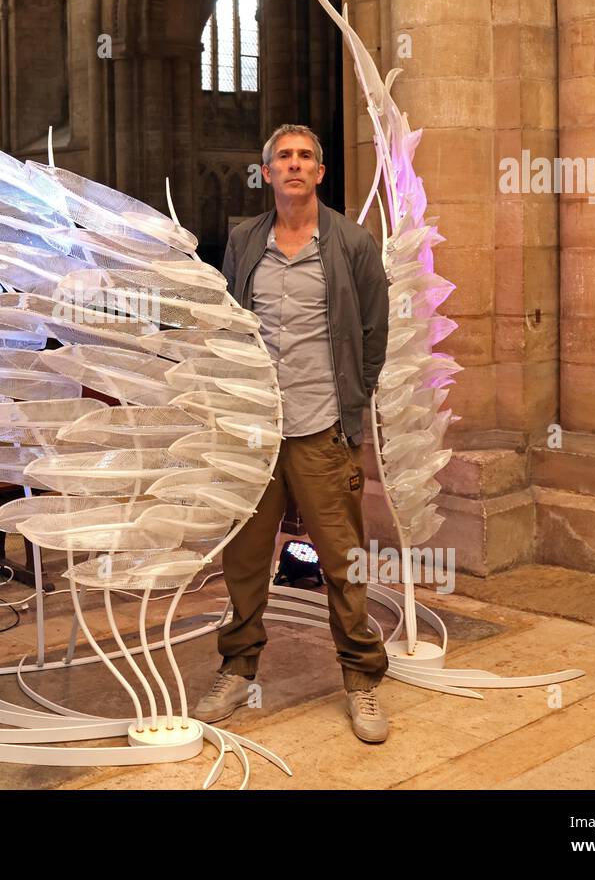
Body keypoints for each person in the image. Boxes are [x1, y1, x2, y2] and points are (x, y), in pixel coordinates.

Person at [194, 123, 392, 743]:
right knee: (246, 559)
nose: (296, 165)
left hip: (320, 428)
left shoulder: (353, 244)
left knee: (342, 560)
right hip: (256, 427)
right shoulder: (244, 239)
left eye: (306, 156)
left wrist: (350, 413)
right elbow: (230, 324)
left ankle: (361, 680)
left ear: (321, 172)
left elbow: (372, 337)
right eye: (284, 157)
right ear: (268, 172)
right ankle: (236, 669)